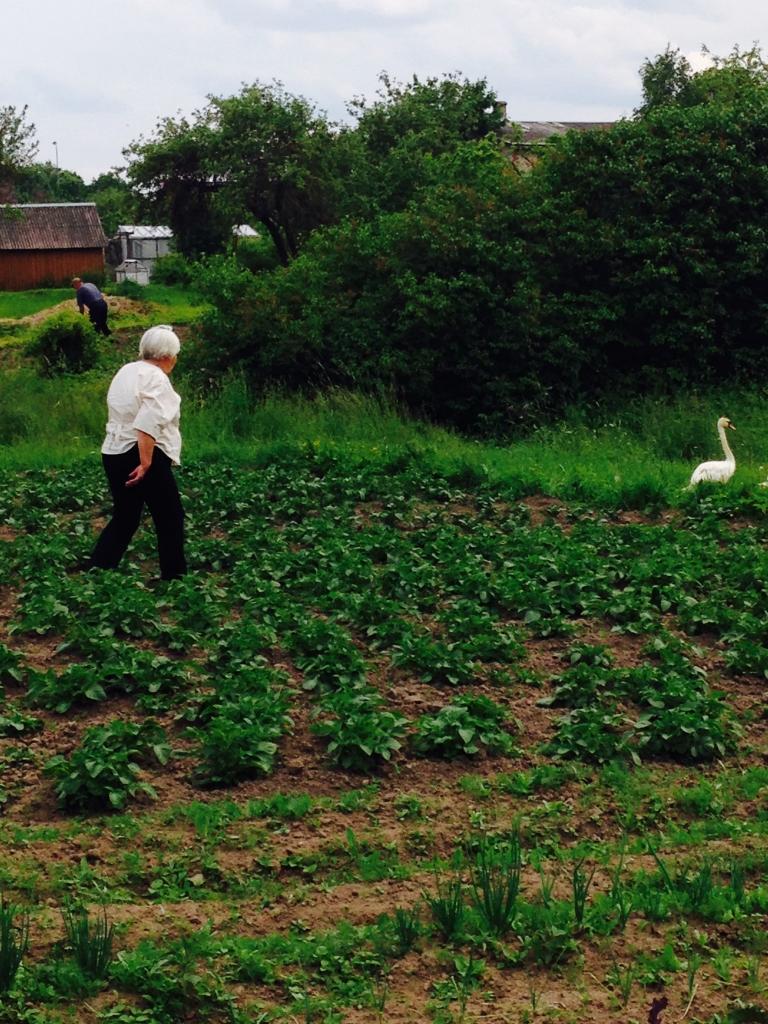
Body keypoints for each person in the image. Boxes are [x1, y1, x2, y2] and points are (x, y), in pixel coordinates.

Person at [88, 325, 187, 581]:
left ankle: (99, 568)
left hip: (114, 451)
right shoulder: (157, 378)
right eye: (175, 354)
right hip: (141, 453)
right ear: (167, 356)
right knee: (170, 516)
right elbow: (147, 422)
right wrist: (145, 463)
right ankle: (174, 577)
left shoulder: (127, 371)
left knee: (126, 515)